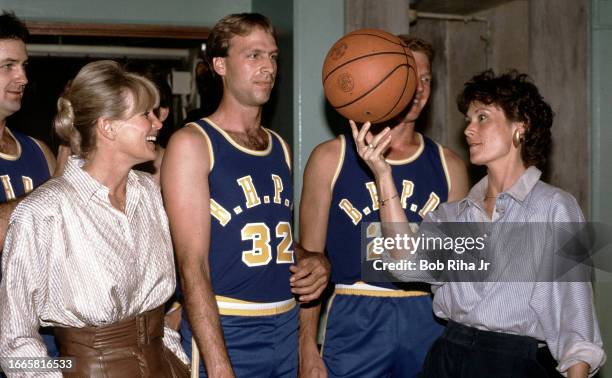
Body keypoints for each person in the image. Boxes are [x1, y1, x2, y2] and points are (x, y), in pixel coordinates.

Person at [356, 70, 605, 377]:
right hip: (448, 358)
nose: (469, 131)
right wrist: (383, 175)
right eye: (468, 121)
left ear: (520, 126)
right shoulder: (452, 216)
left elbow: (575, 323)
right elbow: (404, 263)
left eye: (482, 117)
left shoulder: (555, 209)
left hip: (515, 365)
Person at [161, 13, 329, 377]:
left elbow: (271, 239)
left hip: (284, 325)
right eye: (253, 56)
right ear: (220, 64)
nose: (268, 67)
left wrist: (315, 260)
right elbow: (194, 266)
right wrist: (218, 364)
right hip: (227, 327)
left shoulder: (279, 147)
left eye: (272, 57)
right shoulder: (193, 143)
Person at [0, 60, 189, 377]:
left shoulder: (149, 194)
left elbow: (160, 312)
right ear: (108, 127)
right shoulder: (44, 211)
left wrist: (177, 361)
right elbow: (13, 346)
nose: (156, 124)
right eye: (145, 114)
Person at [298, 37, 468, 377]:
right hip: (354, 315)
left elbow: (457, 270)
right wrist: (305, 348)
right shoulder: (330, 158)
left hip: (427, 317)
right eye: (409, 76)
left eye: (426, 79)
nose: (418, 88)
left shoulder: (451, 165)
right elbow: (309, 264)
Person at [0, 11, 59, 247]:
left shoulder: (39, 151)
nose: (23, 78)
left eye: (24, 66)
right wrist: (56, 186)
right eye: (7, 66)